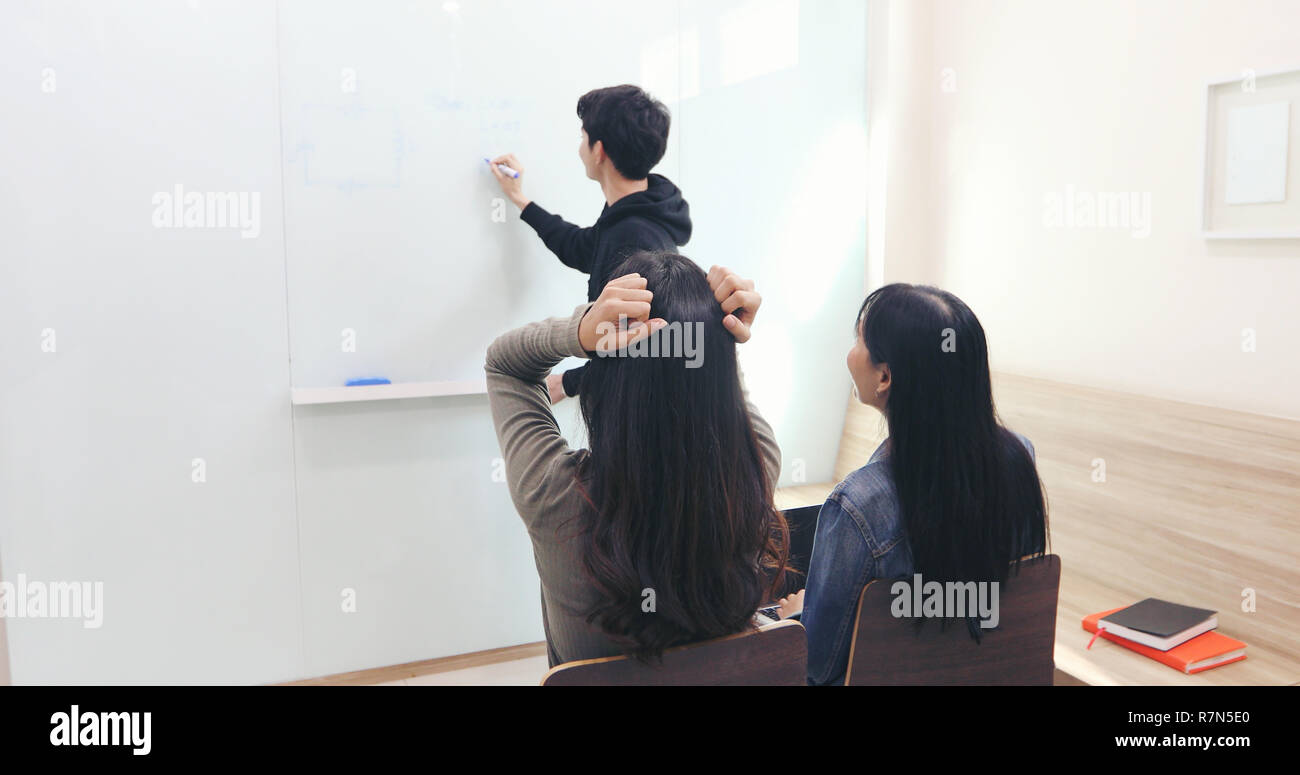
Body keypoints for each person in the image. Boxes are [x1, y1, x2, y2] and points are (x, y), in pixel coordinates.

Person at [484, 252, 787, 665]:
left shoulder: (554, 495)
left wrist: (581, 330)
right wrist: (717, 335)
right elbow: (722, 396)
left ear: (605, 380)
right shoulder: (757, 469)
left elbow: (505, 364)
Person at [777, 283, 1049, 685]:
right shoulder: (1019, 457)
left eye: (859, 339)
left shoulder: (857, 505)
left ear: (884, 376)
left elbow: (818, 666)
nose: (851, 352)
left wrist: (801, 615)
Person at [489, 85, 692, 404]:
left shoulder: (635, 236)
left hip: (633, 420)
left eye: (583, 136)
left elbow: (653, 344)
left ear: (599, 151)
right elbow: (583, 248)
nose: (579, 147)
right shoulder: (633, 213)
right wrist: (519, 199)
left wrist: (568, 383)